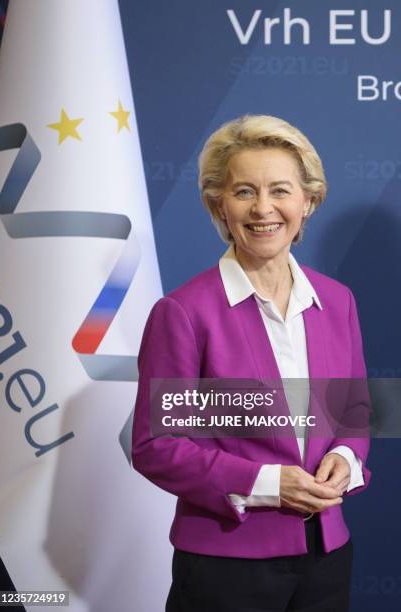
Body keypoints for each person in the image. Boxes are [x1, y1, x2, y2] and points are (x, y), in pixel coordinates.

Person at [131, 114, 371, 611]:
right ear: (218, 203)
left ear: (309, 201)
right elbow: (157, 445)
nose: (264, 208)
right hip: (226, 565)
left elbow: (355, 412)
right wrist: (265, 484)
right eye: (244, 191)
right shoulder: (183, 312)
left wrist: (346, 460)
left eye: (280, 190)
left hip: (327, 557)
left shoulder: (339, 300)